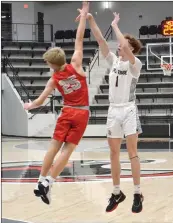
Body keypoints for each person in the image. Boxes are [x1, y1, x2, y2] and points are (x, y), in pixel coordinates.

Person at [76, 12, 143, 213]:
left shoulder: (135, 65)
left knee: (132, 153)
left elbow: (121, 41)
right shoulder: (113, 60)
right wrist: (90, 19)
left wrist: (115, 25)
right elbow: (100, 39)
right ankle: (116, 192)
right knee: (113, 153)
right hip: (113, 110)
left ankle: (138, 193)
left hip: (129, 109)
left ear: (130, 48)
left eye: (123, 43)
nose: (119, 45)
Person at [24, 1, 90, 205]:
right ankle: (49, 181)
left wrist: (29, 106)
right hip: (81, 113)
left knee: (53, 147)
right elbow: (79, 39)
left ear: (52, 64)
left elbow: (40, 101)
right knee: (67, 150)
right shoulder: (76, 65)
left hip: (66, 112)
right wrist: (85, 15)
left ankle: (40, 182)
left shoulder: (53, 80)